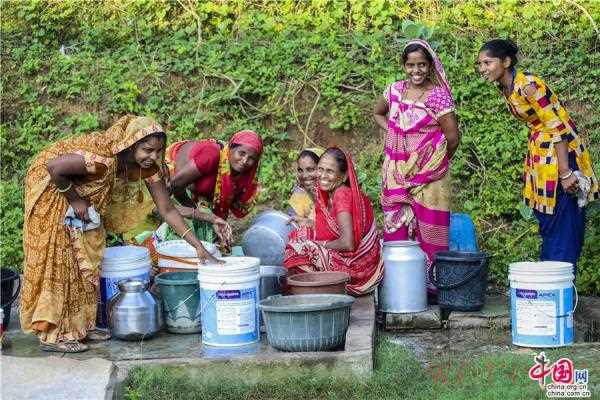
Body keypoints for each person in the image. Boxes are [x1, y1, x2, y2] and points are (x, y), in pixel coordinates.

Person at [21, 115, 219, 353]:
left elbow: (167, 210)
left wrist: (198, 246)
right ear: (131, 146)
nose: (153, 157)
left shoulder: (150, 169)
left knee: (88, 261)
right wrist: (75, 200)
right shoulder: (102, 161)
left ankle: (80, 328)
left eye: (158, 151)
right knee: (62, 263)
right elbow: (54, 168)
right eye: (147, 150)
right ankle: (54, 335)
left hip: (77, 197)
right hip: (53, 193)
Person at [478, 39, 598, 273]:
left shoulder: (528, 85)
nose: (482, 68)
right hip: (541, 155)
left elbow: (556, 126)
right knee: (548, 218)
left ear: (506, 62)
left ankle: (560, 279)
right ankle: (549, 278)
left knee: (563, 221)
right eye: (480, 64)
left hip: (561, 155)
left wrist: (565, 172)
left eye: (487, 62)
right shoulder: (506, 86)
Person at [373, 39, 460, 297]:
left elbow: (453, 137)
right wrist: (395, 132)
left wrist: (435, 164)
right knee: (395, 227)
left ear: (430, 65)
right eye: (411, 65)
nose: (416, 70)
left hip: (431, 176)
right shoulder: (394, 90)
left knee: (430, 227)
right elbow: (378, 113)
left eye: (422, 64)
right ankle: (400, 290)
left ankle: (431, 291)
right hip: (395, 173)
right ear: (404, 66)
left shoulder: (438, 96)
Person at [283, 147, 384, 296]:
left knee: (298, 248)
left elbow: (348, 243)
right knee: (301, 234)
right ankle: (317, 288)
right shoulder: (329, 194)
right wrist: (310, 224)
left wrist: (318, 245)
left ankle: (319, 290)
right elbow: (334, 227)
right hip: (352, 261)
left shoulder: (341, 194)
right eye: (320, 169)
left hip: (358, 269)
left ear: (344, 176)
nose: (323, 175)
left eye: (329, 171)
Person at [164, 131, 263, 249]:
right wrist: (198, 214)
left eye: (251, 158)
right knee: (183, 242)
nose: (245, 161)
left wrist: (218, 224)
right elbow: (174, 185)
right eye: (241, 153)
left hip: (197, 197)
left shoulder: (244, 174)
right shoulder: (211, 154)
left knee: (213, 244)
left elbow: (222, 203)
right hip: (173, 186)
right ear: (231, 148)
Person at [287, 147, 324, 224]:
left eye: (310, 169)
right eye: (300, 170)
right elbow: (293, 226)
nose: (304, 175)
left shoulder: (336, 195)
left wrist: (312, 224)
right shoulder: (298, 196)